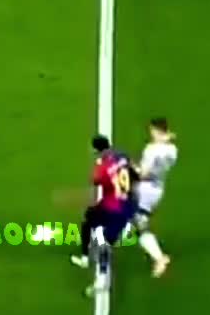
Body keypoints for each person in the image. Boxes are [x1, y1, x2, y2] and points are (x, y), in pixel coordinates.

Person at [70, 135, 137, 295]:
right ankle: (86, 258)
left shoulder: (102, 168)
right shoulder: (122, 156)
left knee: (103, 243)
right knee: (89, 219)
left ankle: (101, 279)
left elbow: (95, 180)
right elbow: (135, 173)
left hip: (113, 209)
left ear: (96, 149)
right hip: (126, 205)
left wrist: (101, 167)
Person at [133, 118, 178, 278]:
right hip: (157, 190)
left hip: (144, 190)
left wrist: (130, 168)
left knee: (139, 227)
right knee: (136, 220)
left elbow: (142, 174)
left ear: (156, 131)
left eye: (152, 130)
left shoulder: (151, 150)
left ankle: (160, 258)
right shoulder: (172, 150)